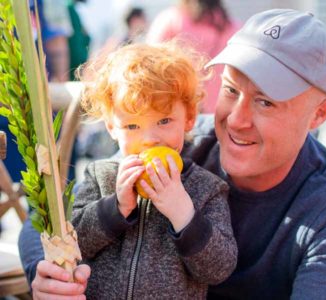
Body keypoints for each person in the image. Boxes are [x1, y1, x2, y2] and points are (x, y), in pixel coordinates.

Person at [18, 8, 326, 299]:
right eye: (231, 90)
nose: (236, 121)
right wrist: (48, 274)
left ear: (319, 115)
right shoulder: (177, 140)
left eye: (265, 102)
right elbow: (44, 222)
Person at [25, 41, 238, 299]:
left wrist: (183, 214)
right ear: (112, 127)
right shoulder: (101, 176)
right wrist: (115, 208)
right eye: (132, 126)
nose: (149, 139)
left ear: (189, 118)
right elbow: (72, 243)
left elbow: (220, 268)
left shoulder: (207, 189)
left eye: (164, 121)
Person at [146, 0, 240, 113]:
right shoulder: (233, 27)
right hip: (222, 111)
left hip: (181, 109)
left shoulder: (171, 20)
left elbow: (150, 64)